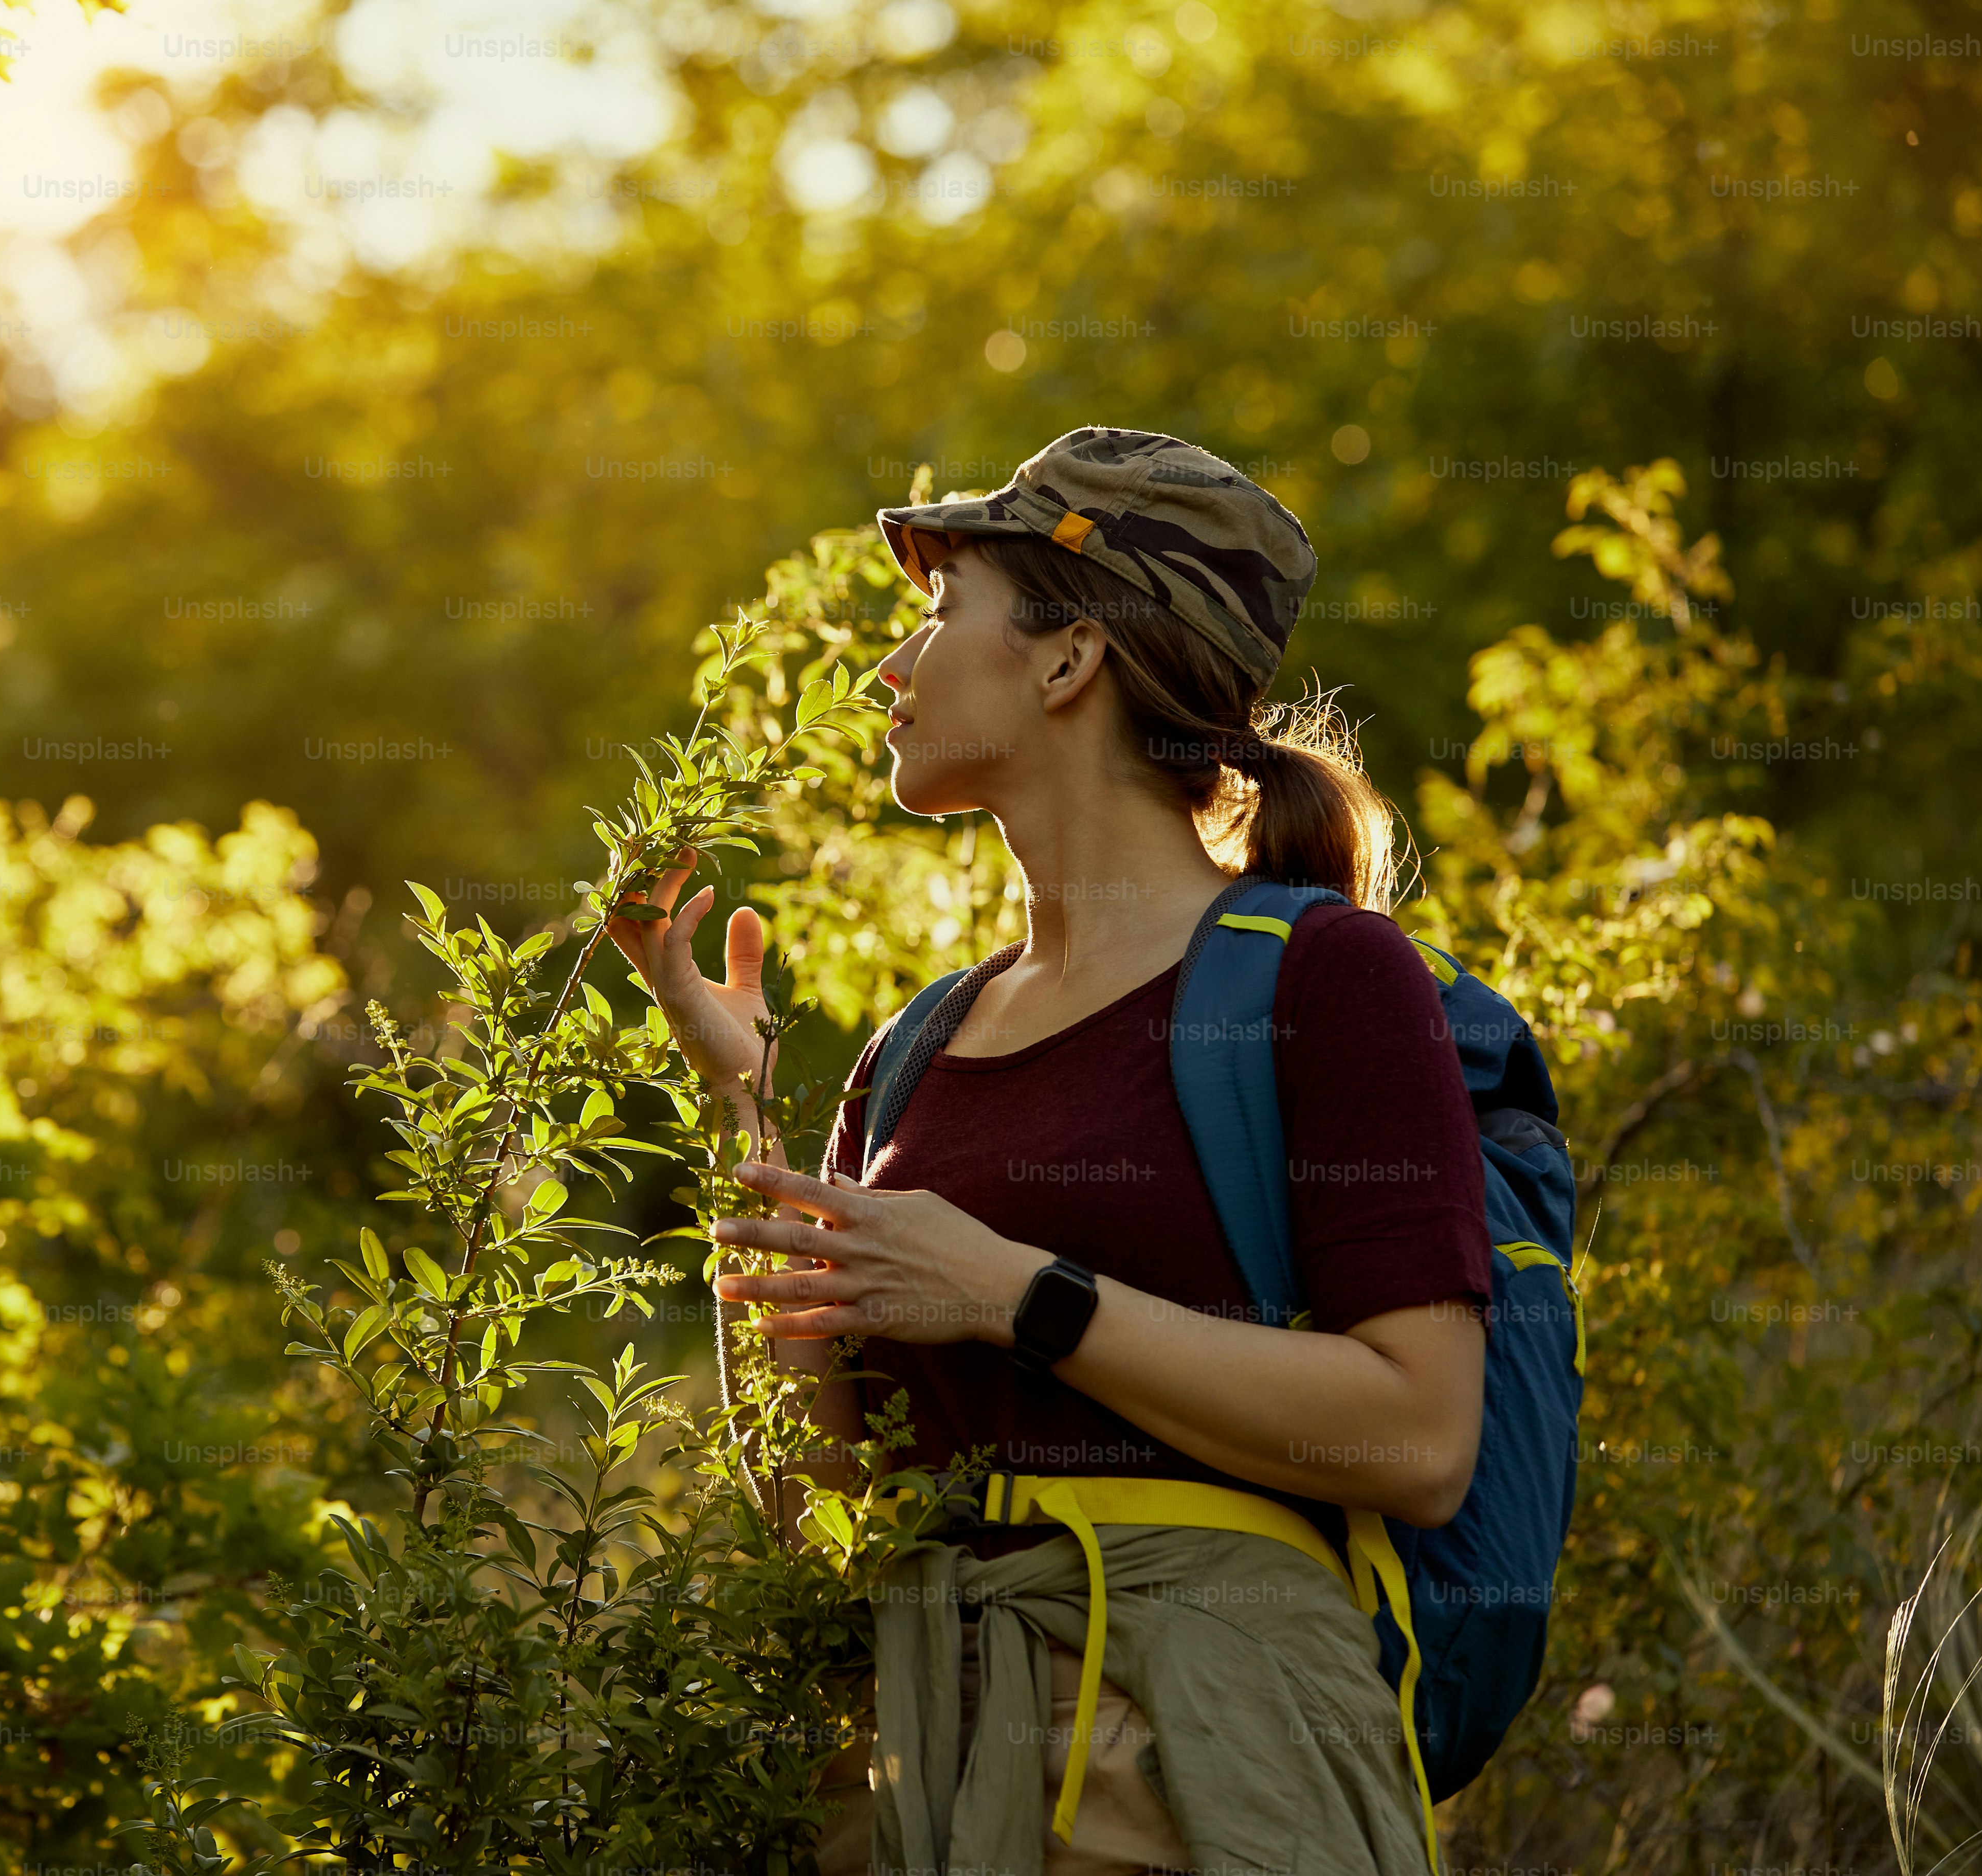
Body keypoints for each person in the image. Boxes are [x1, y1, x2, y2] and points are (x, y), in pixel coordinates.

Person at [604, 429, 1487, 1876]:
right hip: (923, 1772)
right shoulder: (916, 1051)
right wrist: (739, 1108)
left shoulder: (1327, 979)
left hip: (1210, 1763)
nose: (892, 667)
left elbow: (1419, 1434)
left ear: (1069, 659)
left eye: (940, 613)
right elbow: (814, 1492)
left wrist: (1018, 1293)